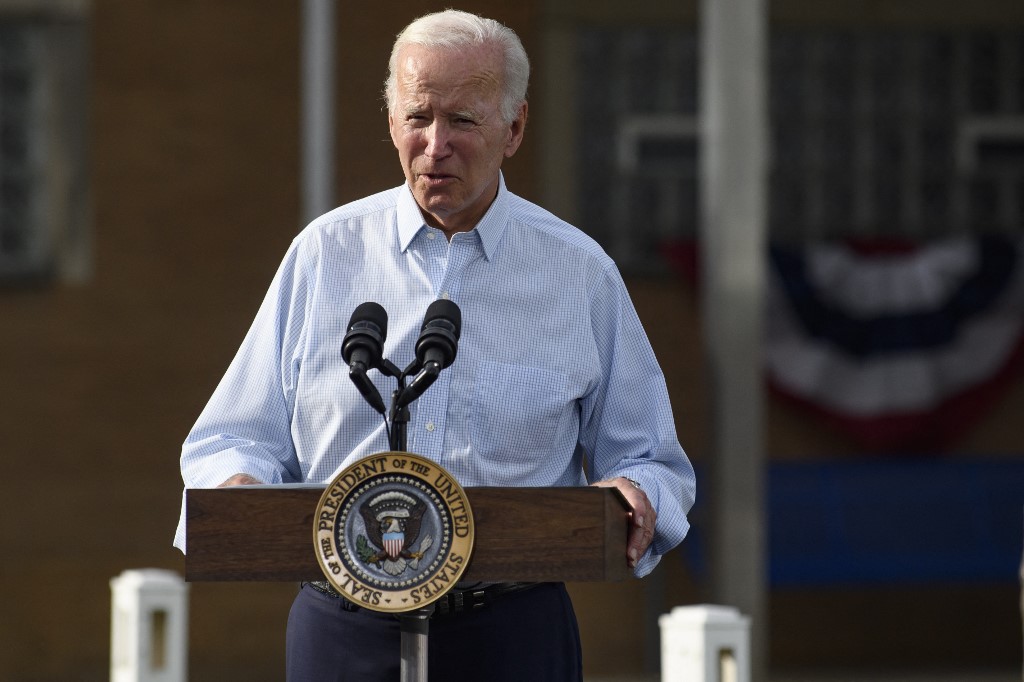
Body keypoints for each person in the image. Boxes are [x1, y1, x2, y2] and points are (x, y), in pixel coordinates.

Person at [174, 9, 695, 682]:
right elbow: (229, 440)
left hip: (511, 633)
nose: (436, 144)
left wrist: (634, 491)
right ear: (392, 122)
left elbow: (652, 459)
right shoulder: (324, 256)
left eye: (463, 121)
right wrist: (242, 486)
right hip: (344, 631)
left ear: (515, 129)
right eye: (418, 118)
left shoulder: (578, 273)